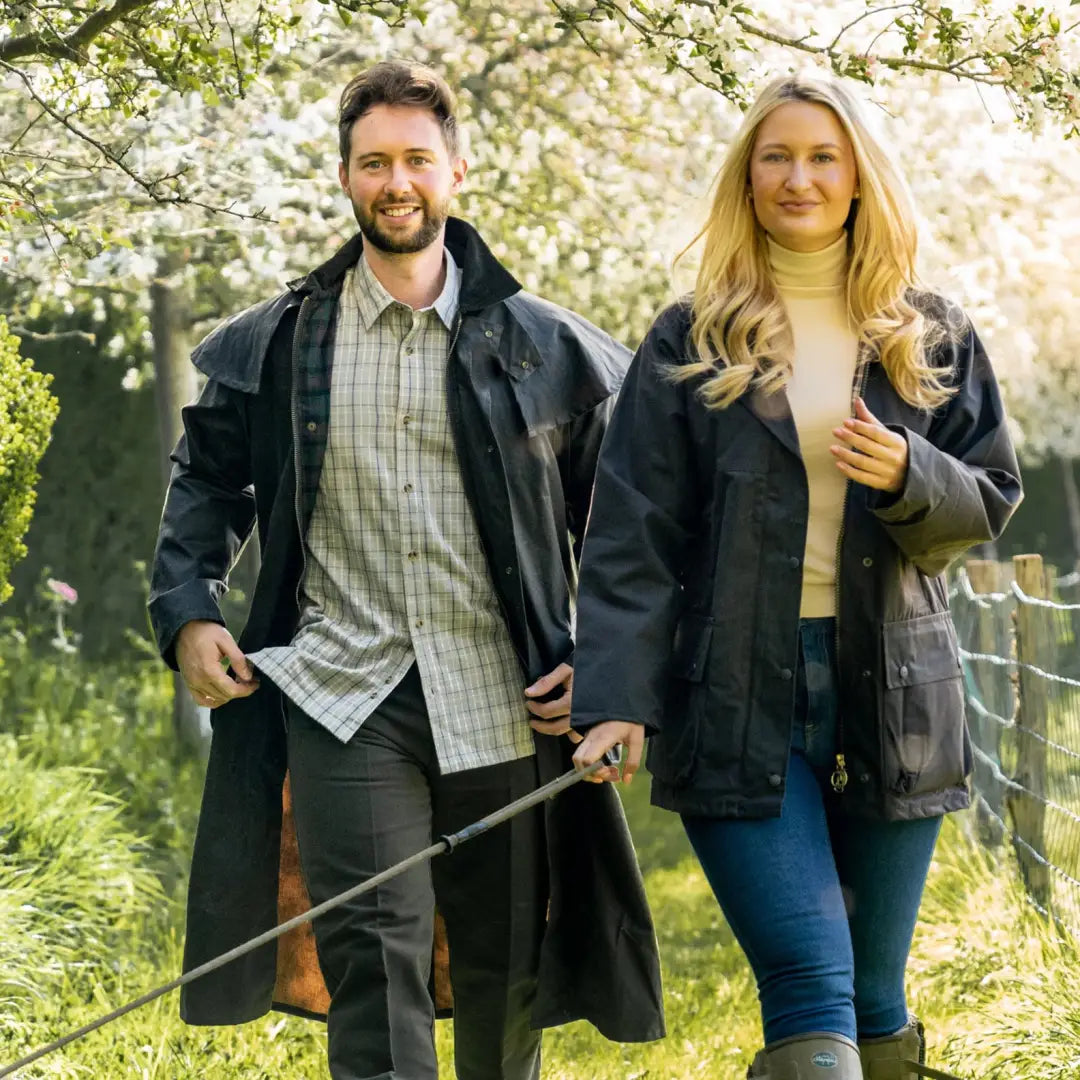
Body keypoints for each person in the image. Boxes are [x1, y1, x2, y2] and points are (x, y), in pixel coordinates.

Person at [148, 59, 663, 1080]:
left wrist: (613, 676)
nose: (397, 182)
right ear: (344, 178)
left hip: (509, 698)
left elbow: (624, 532)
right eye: (374, 162)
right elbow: (203, 481)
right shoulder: (283, 342)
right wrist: (188, 606)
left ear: (457, 173)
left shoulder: (544, 347)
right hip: (344, 691)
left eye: (417, 161)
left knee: (503, 961)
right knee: (372, 956)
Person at [569, 73, 1021, 1080]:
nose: (799, 177)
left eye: (823, 157)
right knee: (811, 981)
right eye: (777, 156)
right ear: (748, 176)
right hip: (735, 698)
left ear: (860, 176)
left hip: (895, 696)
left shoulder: (930, 335)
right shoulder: (691, 338)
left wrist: (913, 475)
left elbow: (987, 500)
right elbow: (631, 535)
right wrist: (614, 698)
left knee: (872, 1000)